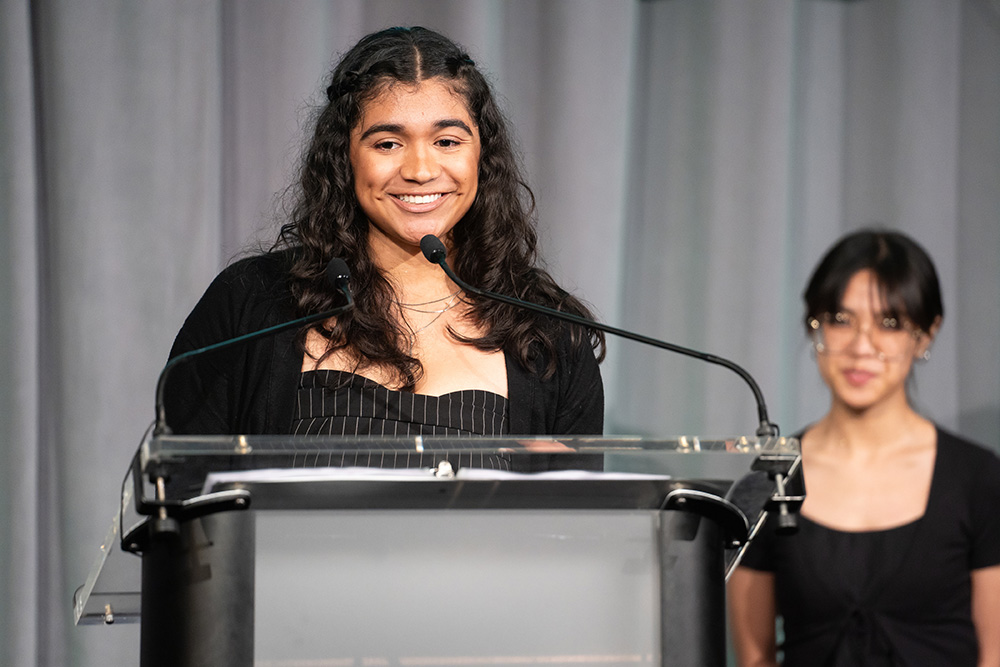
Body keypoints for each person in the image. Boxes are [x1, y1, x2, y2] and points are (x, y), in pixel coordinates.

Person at [163, 26, 604, 437]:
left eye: (447, 141)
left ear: (482, 158)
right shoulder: (253, 304)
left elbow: (577, 517)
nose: (420, 170)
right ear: (345, 158)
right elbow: (184, 495)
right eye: (387, 143)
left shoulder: (546, 334)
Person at [728, 229, 1000, 666]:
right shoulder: (768, 480)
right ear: (813, 324)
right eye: (840, 319)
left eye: (889, 323)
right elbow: (754, 657)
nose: (861, 347)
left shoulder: (977, 478)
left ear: (925, 335)